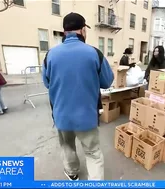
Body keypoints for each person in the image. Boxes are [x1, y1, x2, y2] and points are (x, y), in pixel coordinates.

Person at [42, 12, 114, 181]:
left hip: (61, 114)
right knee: (93, 152)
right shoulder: (94, 53)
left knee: (67, 145)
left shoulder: (50, 55)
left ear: (64, 31)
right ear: (83, 30)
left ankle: (72, 172)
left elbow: (47, 83)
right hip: (86, 116)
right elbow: (107, 81)